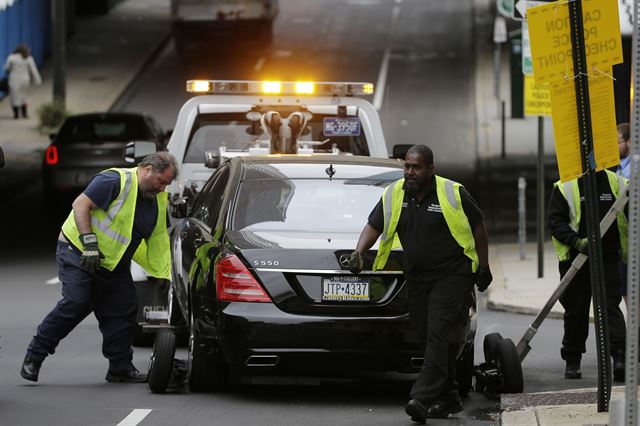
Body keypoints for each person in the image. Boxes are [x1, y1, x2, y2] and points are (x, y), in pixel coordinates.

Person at [349, 145, 492, 424]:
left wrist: (483, 266)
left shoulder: (452, 192)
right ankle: (449, 396)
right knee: (428, 337)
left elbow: (478, 226)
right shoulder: (395, 193)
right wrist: (359, 251)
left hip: (453, 274)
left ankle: (422, 397)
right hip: (417, 277)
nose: (410, 172)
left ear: (431, 169)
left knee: (438, 333)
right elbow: (374, 225)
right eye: (407, 167)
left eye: (416, 167)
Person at [20, 152, 178, 383]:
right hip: (79, 252)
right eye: (161, 181)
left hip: (113, 263)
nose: (163, 188)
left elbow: (158, 241)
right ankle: (34, 356)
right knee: (77, 301)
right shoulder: (115, 181)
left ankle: (120, 368)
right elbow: (81, 204)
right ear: (146, 169)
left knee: (123, 308)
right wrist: (89, 243)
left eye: (167, 184)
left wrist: (161, 275)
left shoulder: (157, 202)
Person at [547, 169, 628, 382]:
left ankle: (619, 357)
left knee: (610, 306)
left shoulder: (617, 182)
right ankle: (572, 360)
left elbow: (632, 213)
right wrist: (576, 241)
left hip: (607, 257)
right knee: (576, 310)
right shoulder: (565, 186)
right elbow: (556, 222)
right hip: (576, 259)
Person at [4, 43, 42, 119]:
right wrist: (38, 80)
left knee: (14, 96)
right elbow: (33, 70)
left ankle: (16, 114)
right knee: (24, 96)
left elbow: (7, 68)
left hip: (14, 79)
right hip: (25, 79)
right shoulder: (28, 58)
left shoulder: (11, 57)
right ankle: (24, 114)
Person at [616, 122, 631, 306]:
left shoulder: (632, 169)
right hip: (624, 238)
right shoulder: (619, 166)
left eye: (618, 141)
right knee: (625, 288)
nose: (615, 146)